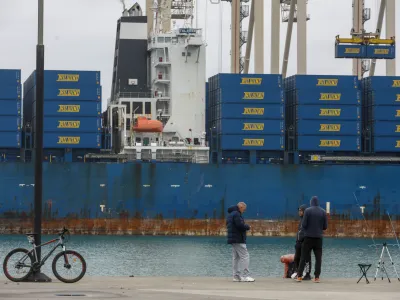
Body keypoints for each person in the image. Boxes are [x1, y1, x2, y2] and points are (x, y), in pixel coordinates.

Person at [296, 196, 328, 283]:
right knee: (318, 259)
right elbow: (325, 227)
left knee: (303, 257)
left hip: (308, 238)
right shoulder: (323, 212)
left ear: (311, 202)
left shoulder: (307, 211)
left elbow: (304, 224)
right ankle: (317, 277)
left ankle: (299, 276)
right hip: (318, 239)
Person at [226, 202, 254, 282]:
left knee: (236, 258)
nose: (243, 211)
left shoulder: (231, 214)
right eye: (243, 210)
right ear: (241, 207)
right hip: (238, 239)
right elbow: (240, 225)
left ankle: (236, 276)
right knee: (245, 256)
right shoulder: (237, 214)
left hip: (233, 239)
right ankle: (246, 276)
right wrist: (248, 227)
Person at [292, 205, 312, 280]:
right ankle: (298, 272)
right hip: (298, 243)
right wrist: (297, 241)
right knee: (297, 258)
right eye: (299, 211)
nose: (299, 212)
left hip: (305, 242)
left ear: (305, 212)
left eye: (301, 211)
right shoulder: (301, 220)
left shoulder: (307, 220)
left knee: (307, 259)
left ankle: (307, 274)